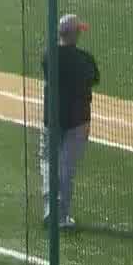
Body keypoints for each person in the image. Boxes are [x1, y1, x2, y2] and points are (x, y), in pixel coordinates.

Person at [39, 14, 99, 229]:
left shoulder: (49, 55)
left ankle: (49, 212)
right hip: (77, 120)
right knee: (66, 168)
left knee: (48, 164)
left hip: (52, 119)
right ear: (74, 34)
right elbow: (94, 79)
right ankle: (62, 217)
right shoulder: (85, 59)